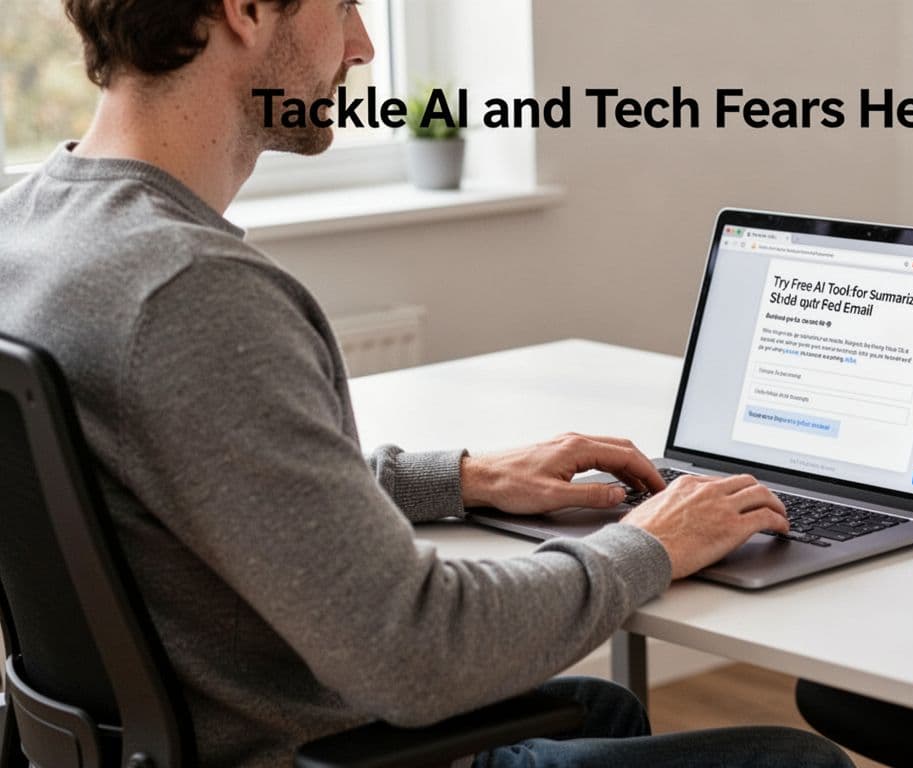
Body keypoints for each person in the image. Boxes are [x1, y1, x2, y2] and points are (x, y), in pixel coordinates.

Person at [0, 1, 854, 766]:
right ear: (247, 11)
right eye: (345, 7)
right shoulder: (190, 290)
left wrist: (461, 479)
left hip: (170, 734)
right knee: (793, 761)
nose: (365, 46)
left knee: (600, 707)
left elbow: (202, 482)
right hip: (295, 743)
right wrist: (653, 543)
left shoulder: (31, 226)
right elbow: (415, 653)